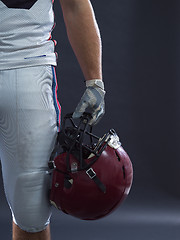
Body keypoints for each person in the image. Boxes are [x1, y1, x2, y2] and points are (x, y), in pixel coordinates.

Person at [0, 0, 105, 239]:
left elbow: (75, 4)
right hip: (28, 69)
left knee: (31, 213)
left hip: (27, 67)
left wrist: (95, 81)